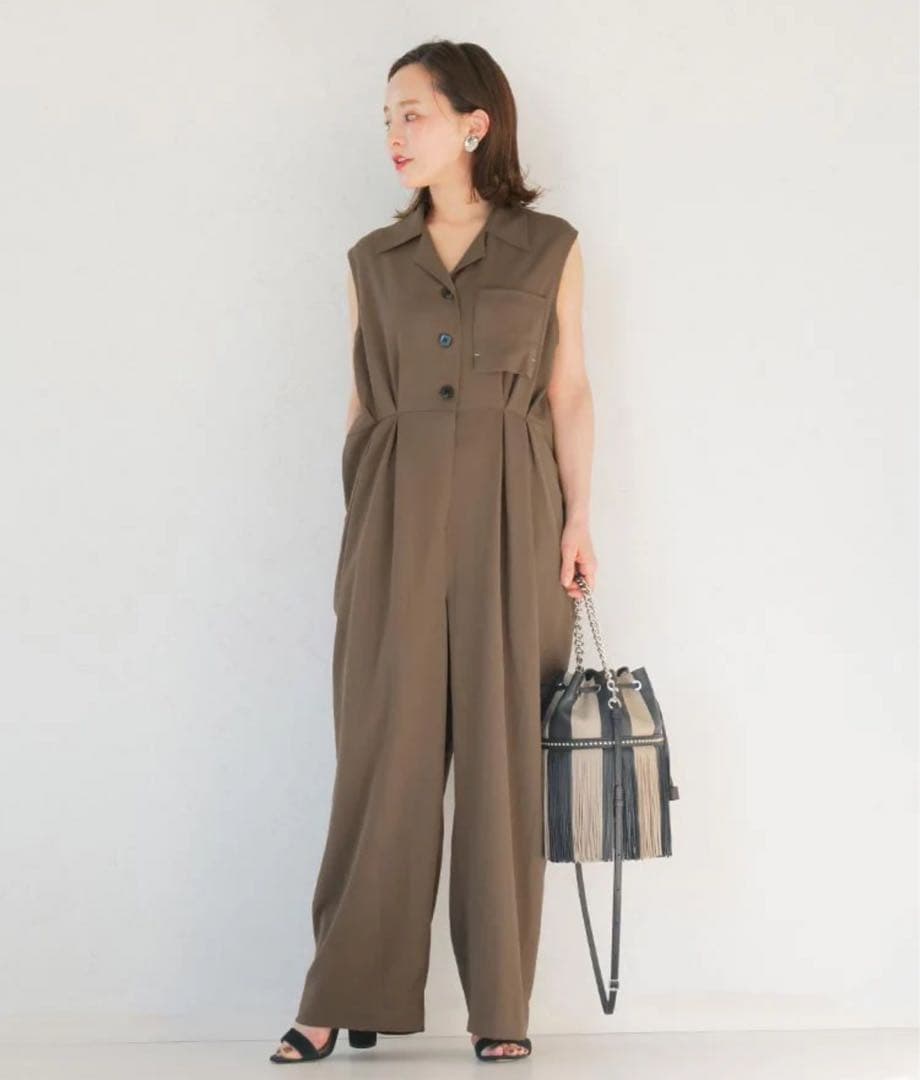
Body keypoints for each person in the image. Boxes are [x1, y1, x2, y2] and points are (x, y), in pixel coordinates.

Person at [272, 38, 597, 1065]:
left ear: (473, 123)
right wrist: (361, 529)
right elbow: (362, 400)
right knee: (383, 759)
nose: (394, 134)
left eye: (410, 113)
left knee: (503, 763)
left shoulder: (548, 248)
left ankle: (500, 1008)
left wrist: (579, 519)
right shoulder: (373, 261)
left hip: (514, 518)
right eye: (386, 118)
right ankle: (339, 995)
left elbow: (568, 391)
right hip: (393, 520)